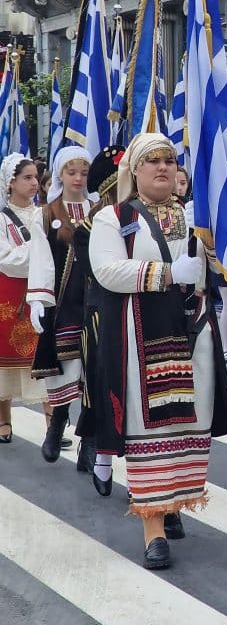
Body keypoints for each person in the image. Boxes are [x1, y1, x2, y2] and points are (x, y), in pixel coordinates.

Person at [89, 133, 227, 570]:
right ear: (134, 170)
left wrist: (216, 246)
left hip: (192, 333)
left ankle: (172, 504)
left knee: (187, 421)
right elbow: (108, 271)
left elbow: (225, 266)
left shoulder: (195, 218)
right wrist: (171, 272)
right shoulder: (112, 218)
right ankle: (152, 528)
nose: (162, 167)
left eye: (170, 160)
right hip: (141, 338)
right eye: (152, 161)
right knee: (147, 427)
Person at [27, 146, 94, 464]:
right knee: (69, 365)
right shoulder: (47, 213)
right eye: (72, 172)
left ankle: (92, 441)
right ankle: (57, 424)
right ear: (59, 175)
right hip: (65, 300)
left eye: (83, 172)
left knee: (97, 368)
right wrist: (39, 299)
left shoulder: (101, 209)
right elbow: (41, 259)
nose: (78, 178)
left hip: (98, 299)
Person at [74, 145, 124, 495]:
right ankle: (97, 449)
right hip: (103, 312)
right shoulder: (89, 226)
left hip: (143, 310)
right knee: (100, 382)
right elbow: (99, 273)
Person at [0, 155, 46, 444]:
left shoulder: (45, 215)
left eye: (35, 178)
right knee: (4, 361)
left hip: (41, 293)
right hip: (9, 295)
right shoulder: (2, 219)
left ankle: (54, 420)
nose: (34, 183)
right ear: (11, 182)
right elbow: (7, 259)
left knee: (45, 359)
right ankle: (4, 419)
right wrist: (40, 253)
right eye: (27, 178)